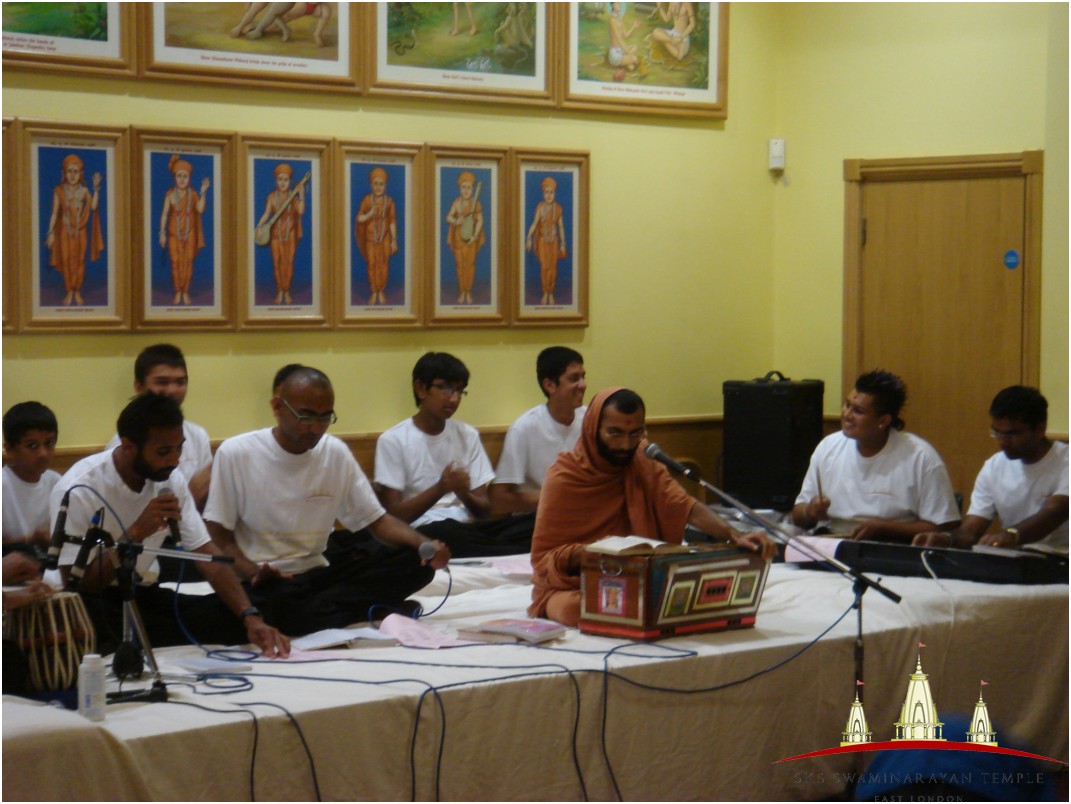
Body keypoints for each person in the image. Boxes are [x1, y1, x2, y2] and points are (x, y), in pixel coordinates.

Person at [204, 367, 449, 636]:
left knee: (415, 563)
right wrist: (252, 571)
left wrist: (425, 545)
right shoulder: (236, 453)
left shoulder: (334, 452)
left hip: (320, 572)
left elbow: (378, 521)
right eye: (306, 417)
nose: (317, 428)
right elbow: (218, 536)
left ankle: (331, 611)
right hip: (267, 580)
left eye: (325, 418)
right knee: (278, 606)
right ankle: (365, 608)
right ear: (277, 406)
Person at [50, 394, 289, 657]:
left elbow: (206, 554)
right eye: (163, 451)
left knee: (243, 615)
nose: (174, 460)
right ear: (128, 446)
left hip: (141, 593)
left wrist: (250, 616)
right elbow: (76, 583)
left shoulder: (170, 480)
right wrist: (135, 534)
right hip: (92, 603)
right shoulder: (79, 489)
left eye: (179, 448)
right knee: (110, 644)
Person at [530, 387, 776, 627]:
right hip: (576, 583)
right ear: (593, 429)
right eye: (614, 433)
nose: (626, 445)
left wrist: (734, 534)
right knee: (576, 609)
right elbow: (542, 560)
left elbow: (683, 505)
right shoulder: (564, 476)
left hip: (640, 579)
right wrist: (592, 553)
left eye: (635, 433)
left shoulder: (642, 461)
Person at [376, 352, 530, 557]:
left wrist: (463, 493)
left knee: (531, 522)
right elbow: (394, 517)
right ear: (421, 388)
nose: (454, 398)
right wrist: (440, 488)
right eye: (446, 388)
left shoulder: (467, 435)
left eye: (460, 391)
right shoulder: (393, 440)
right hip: (428, 530)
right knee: (446, 530)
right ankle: (508, 552)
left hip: (469, 528)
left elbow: (484, 511)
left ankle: (505, 550)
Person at [792, 370, 961, 542]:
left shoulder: (920, 456)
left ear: (883, 421)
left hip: (891, 548)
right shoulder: (829, 446)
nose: (847, 415)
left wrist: (885, 528)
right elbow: (798, 514)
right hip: (832, 542)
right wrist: (810, 511)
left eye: (858, 411)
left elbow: (943, 526)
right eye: (847, 404)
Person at [914, 386, 1068, 551]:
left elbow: (1055, 512)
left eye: (1011, 434)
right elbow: (970, 532)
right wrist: (946, 539)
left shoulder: (1065, 460)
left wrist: (1011, 535)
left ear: (1039, 429)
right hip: (1016, 560)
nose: (1002, 442)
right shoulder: (994, 466)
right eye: (997, 433)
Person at [105, 344, 212, 511]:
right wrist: (190, 493)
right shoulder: (124, 443)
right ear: (139, 387)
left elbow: (206, 499)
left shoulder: (198, 435)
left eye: (180, 382)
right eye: (162, 382)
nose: (172, 390)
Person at [490, 347, 586, 516]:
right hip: (536, 520)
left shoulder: (592, 419)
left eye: (583, 377)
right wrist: (557, 497)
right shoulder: (524, 428)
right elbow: (499, 500)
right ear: (549, 385)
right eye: (574, 379)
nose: (583, 385)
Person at [44, 153, 103, 307]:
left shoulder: (84, 191)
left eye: (76, 171)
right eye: (69, 171)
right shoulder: (59, 191)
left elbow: (94, 207)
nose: (72, 175)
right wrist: (50, 232)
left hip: (80, 231)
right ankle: (69, 290)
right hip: (64, 231)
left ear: (80, 174)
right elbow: (55, 214)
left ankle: (77, 290)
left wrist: (96, 189)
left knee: (79, 260)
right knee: (67, 259)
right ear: (64, 173)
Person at [3, 402, 61, 550]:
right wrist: (32, 539)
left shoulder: (56, 482)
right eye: (32, 445)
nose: (43, 454)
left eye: (49, 443)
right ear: (9, 449)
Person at [158, 154, 209, 307]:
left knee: (188, 262)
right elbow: (164, 214)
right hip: (174, 234)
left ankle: (185, 290)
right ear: (175, 177)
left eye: (185, 176)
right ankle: (177, 291)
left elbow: (200, 209)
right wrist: (162, 233)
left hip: (190, 233)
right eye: (179, 176)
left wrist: (203, 192)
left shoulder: (193, 194)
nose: (182, 179)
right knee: (175, 262)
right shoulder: (169, 195)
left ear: (189, 178)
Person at [256, 162, 305, 305]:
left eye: (286, 180)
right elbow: (266, 214)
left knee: (288, 263)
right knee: (277, 263)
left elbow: (301, 211)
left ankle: (287, 290)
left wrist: (301, 194)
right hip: (276, 234)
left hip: (290, 234)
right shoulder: (272, 197)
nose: (283, 183)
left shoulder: (293, 196)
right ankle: (280, 290)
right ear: (276, 180)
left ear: (290, 181)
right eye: (280, 179)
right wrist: (259, 226)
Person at [354, 167, 397, 306]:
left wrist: (394, 240)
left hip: (384, 238)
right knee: (372, 265)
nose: (378, 187)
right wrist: (369, 215)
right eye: (375, 183)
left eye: (381, 184)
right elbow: (359, 218)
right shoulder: (367, 200)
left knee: (383, 264)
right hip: (370, 239)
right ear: (371, 185)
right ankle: (374, 291)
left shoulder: (389, 202)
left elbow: (392, 222)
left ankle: (381, 290)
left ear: (385, 185)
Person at [525, 177, 567, 305]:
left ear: (555, 193)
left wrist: (563, 244)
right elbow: (534, 224)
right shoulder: (540, 207)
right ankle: (545, 292)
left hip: (553, 241)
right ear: (543, 193)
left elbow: (560, 227)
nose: (549, 195)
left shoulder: (558, 208)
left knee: (552, 268)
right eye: (546, 192)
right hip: (542, 242)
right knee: (544, 268)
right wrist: (528, 238)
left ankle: (550, 292)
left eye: (551, 192)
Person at [444, 171, 484, 305]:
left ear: (473, 189)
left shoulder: (475, 204)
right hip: (458, 239)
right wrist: (456, 221)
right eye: (463, 187)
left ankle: (468, 291)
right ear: (460, 188)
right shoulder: (456, 203)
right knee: (460, 265)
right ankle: (462, 291)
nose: (466, 190)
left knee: (470, 265)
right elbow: (448, 217)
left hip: (470, 239)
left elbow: (479, 220)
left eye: (469, 187)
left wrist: (475, 235)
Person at [607, 1, 640, 71]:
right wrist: (630, 54)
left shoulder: (619, 19)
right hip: (615, 54)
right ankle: (627, 62)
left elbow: (626, 35)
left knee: (635, 47)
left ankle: (627, 62)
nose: (620, 5)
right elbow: (620, 40)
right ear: (613, 5)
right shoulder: (612, 20)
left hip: (621, 51)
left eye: (620, 3)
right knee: (635, 59)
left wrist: (633, 27)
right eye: (618, 3)